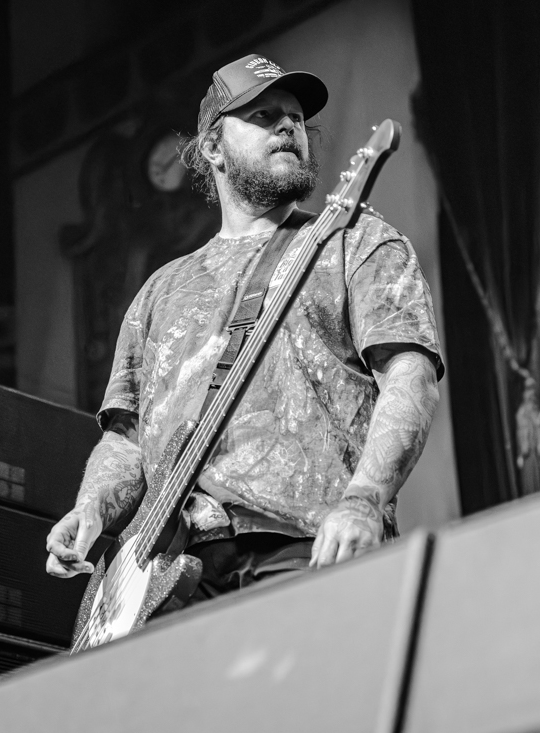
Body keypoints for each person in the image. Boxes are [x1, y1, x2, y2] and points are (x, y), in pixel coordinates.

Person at [45, 53, 443, 608]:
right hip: (166, 575)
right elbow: (126, 438)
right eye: (262, 115)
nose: (288, 126)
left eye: (295, 117)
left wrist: (365, 499)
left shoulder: (357, 242)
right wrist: (90, 507)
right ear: (212, 148)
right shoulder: (159, 291)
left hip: (306, 544)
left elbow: (409, 377)